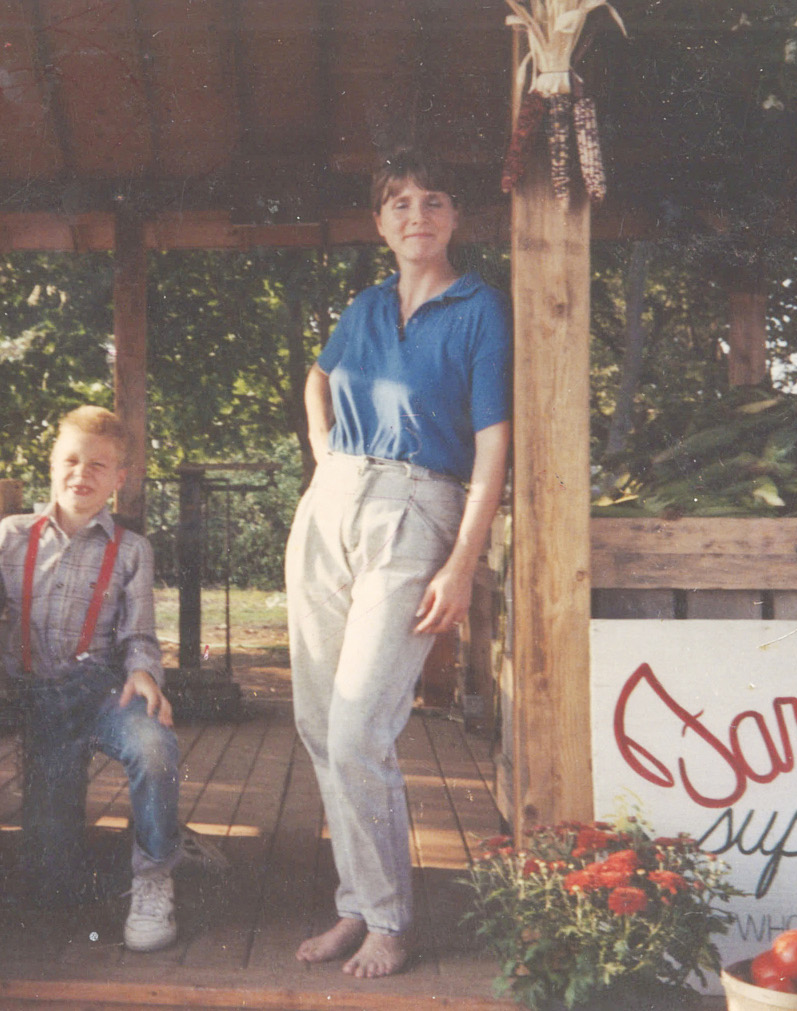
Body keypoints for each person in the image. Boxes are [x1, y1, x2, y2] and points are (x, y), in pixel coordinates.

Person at [285, 146, 512, 978]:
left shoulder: (483, 308)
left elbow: (493, 447)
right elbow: (318, 380)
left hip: (419, 507)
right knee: (318, 723)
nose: (417, 213)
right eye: (400, 202)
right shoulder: (366, 306)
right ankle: (357, 901)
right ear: (380, 220)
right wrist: (323, 454)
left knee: (357, 728)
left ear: (457, 217)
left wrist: (463, 561)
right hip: (332, 503)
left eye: (435, 199)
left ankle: (389, 918)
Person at [0, 405, 182, 953]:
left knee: (155, 745)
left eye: (99, 466)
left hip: (104, 693)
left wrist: (143, 673)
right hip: (41, 703)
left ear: (119, 479)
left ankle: (154, 875)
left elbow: (139, 636)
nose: (81, 474)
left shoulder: (132, 550)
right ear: (51, 465)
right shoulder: (14, 535)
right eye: (70, 460)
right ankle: (97, 862)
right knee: (49, 882)